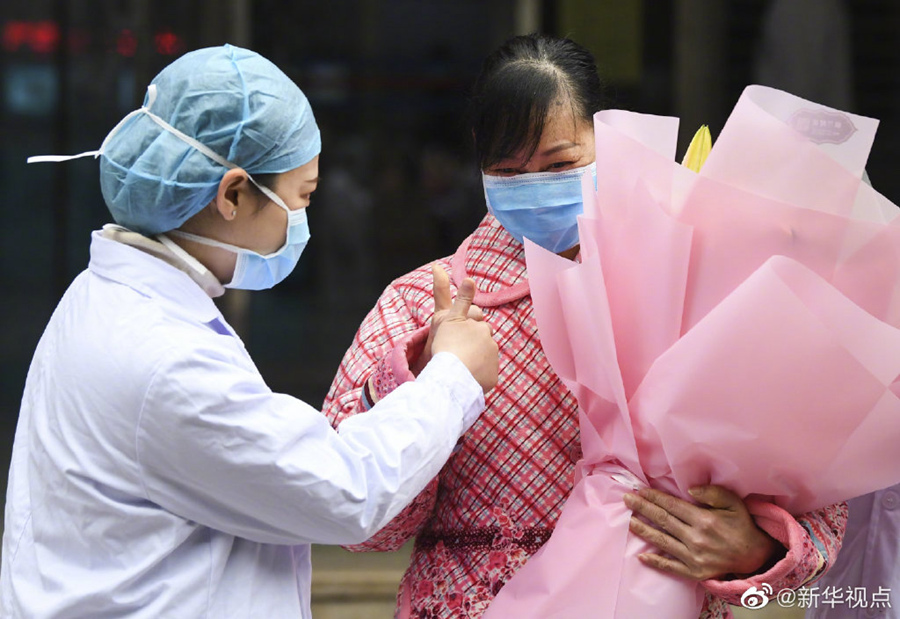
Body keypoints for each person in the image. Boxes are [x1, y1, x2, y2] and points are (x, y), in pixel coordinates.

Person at [322, 33, 847, 618]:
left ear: (608, 139)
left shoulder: (700, 278)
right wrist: (419, 380)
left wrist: (755, 549)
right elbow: (354, 520)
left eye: (560, 165)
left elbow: (820, 505)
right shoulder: (421, 304)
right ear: (480, 163)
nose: (536, 186)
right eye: (508, 170)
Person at [0, 44, 499, 618]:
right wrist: (453, 377)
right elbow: (346, 491)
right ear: (233, 194)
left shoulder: (105, 298)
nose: (303, 222)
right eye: (301, 197)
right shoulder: (166, 361)